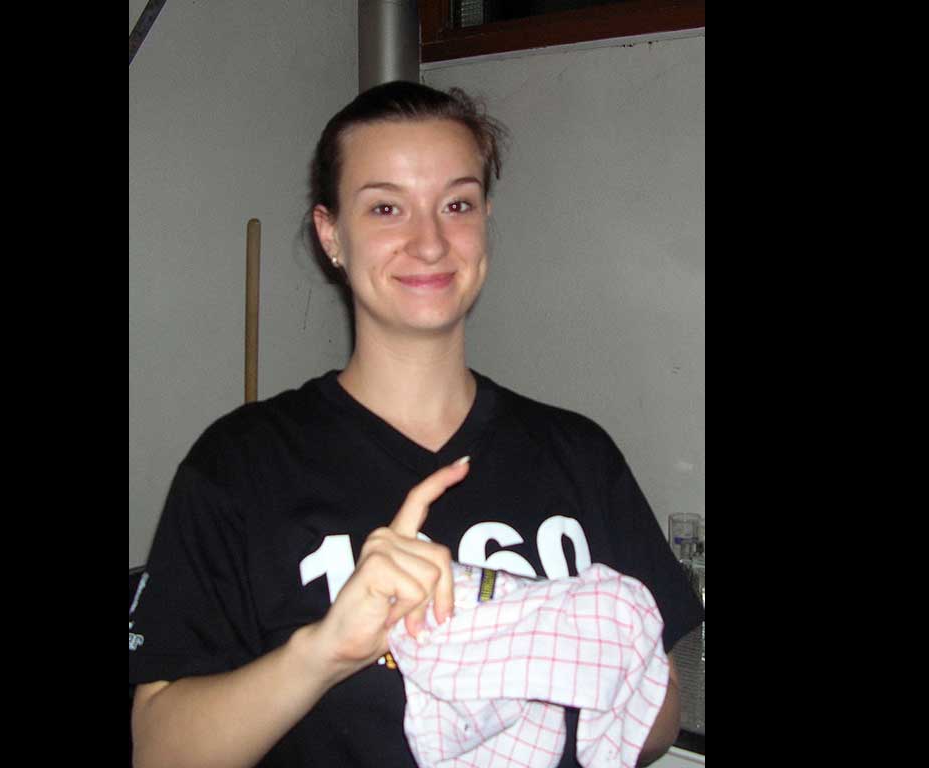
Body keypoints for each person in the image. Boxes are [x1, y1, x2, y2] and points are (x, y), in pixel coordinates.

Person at [129, 80, 704, 768]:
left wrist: (551, 655)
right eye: (386, 208)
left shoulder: (579, 453)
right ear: (331, 235)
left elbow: (663, 718)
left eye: (457, 205)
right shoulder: (239, 465)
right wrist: (323, 653)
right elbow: (159, 751)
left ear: (485, 220)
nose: (430, 243)